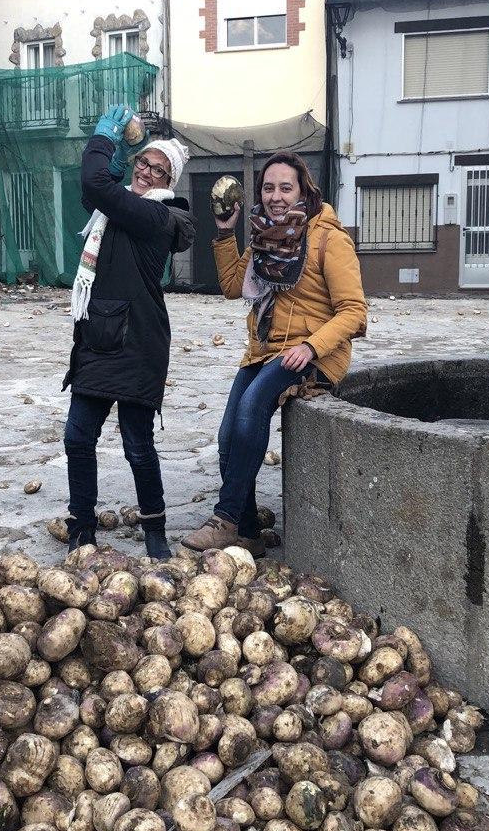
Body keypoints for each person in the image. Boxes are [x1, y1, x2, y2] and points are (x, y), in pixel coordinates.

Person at [182, 152, 366, 554]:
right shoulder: (264, 236)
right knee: (227, 436)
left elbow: (354, 311)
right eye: (268, 188)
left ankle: (225, 518)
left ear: (303, 190)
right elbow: (232, 287)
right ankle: (248, 533)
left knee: (252, 405)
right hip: (265, 350)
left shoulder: (329, 238)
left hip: (314, 352)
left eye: (285, 187)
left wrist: (311, 345)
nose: (276, 197)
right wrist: (225, 233)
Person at [62, 105, 194, 559]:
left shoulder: (157, 216)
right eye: (143, 162)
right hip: (99, 337)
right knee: (78, 437)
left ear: (169, 181)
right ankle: (82, 528)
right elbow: (97, 192)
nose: (146, 172)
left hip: (138, 342)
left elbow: (94, 185)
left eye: (158, 169)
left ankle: (155, 531)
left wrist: (103, 141)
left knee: (137, 444)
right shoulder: (118, 207)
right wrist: (117, 159)